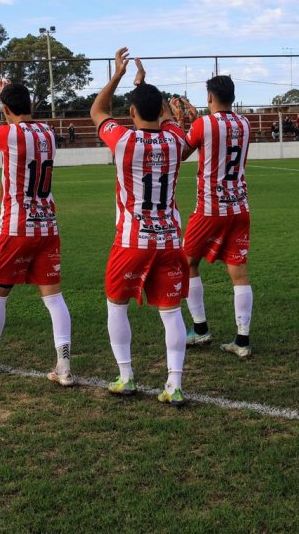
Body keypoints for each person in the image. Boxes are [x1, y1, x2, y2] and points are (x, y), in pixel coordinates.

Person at [0, 79, 73, 386]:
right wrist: (6, 102)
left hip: (17, 227)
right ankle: (64, 365)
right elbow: (22, 126)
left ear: (5, 109)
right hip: (48, 225)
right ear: (31, 105)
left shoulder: (8, 133)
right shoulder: (47, 131)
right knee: (54, 297)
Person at [90, 48, 190, 406]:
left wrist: (118, 76)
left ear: (131, 112)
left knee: (116, 306)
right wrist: (145, 87)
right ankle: (174, 384)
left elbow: (97, 111)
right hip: (169, 240)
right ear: (163, 109)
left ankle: (126, 376)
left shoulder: (123, 139)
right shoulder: (177, 139)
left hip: (133, 240)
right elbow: (167, 118)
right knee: (172, 312)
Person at [170, 76, 254, 358]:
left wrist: (180, 124)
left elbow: (180, 154)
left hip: (210, 208)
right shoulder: (245, 123)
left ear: (209, 97)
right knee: (238, 271)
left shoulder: (203, 125)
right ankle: (242, 341)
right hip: (239, 205)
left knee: (188, 262)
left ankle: (201, 328)